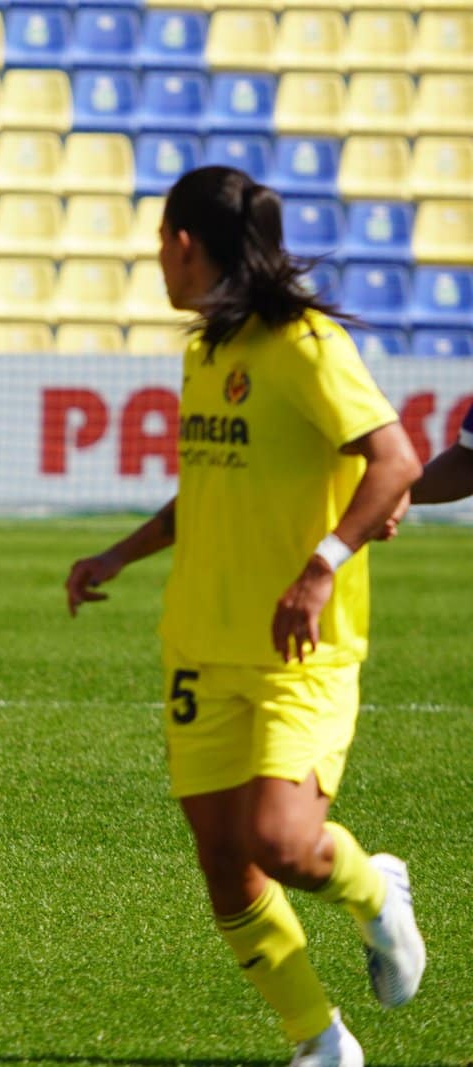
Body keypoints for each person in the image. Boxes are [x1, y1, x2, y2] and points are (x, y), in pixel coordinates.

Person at [64, 167, 425, 1066]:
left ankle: (375, 889)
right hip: (199, 645)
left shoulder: (305, 345)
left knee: (285, 842)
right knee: (227, 865)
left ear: (186, 244)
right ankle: (320, 1041)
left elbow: (397, 460)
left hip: (298, 648)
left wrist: (320, 568)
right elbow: (209, 491)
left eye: (159, 240)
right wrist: (117, 555)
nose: (156, 258)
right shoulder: (206, 350)